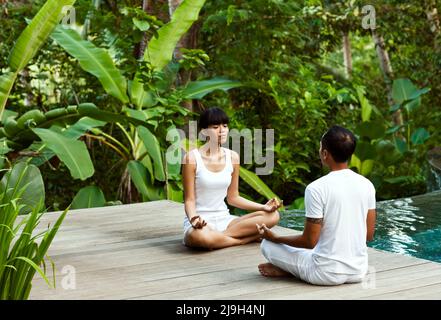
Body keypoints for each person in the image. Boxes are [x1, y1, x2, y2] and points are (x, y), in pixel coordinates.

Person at [257, 125, 376, 286]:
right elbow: (368, 235)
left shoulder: (316, 188)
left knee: (268, 245)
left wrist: (275, 237)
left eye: (320, 148)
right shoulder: (367, 184)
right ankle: (290, 269)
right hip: (359, 271)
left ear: (325, 154)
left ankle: (288, 270)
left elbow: (309, 241)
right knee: (310, 249)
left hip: (324, 273)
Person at [182, 107, 281, 250]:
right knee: (200, 237)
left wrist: (263, 207)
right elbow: (189, 200)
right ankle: (241, 240)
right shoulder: (191, 158)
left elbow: (233, 198)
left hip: (225, 221)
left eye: (225, 126)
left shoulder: (233, 157)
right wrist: (194, 219)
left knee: (273, 216)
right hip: (200, 223)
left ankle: (218, 238)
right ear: (204, 131)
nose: (222, 130)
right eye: (216, 127)